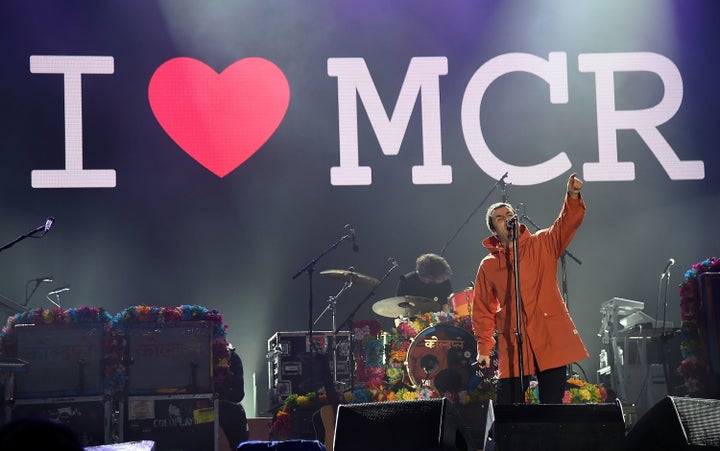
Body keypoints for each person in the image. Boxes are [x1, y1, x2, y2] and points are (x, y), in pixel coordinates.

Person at [472, 173, 589, 404]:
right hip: (515, 342)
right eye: (499, 218)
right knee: (510, 406)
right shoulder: (489, 265)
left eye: (509, 214)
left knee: (551, 406)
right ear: (494, 231)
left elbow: (567, 224)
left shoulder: (542, 243)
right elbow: (483, 308)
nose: (507, 218)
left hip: (549, 334)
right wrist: (484, 347)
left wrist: (572, 196)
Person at [217, 343, 250, 448]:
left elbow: (239, 394)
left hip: (227, 406)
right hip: (201, 406)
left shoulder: (232, 356)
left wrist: (227, 374)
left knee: (240, 443)